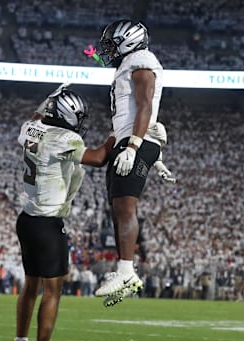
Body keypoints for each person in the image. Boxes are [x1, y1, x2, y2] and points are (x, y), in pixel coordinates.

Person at [6, 84, 115, 341]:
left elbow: (34, 117)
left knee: (31, 286)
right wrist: (120, 131)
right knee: (53, 291)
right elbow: (98, 157)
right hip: (48, 222)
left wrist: (47, 101)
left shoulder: (30, 129)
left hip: (26, 219)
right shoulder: (65, 138)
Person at [93, 19, 175, 304]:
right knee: (118, 208)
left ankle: (127, 269)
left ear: (129, 41)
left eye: (112, 45)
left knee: (126, 206)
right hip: (129, 139)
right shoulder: (129, 63)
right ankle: (125, 271)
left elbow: (145, 105)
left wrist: (134, 146)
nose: (108, 51)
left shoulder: (141, 61)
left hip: (134, 141)